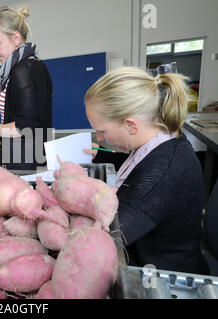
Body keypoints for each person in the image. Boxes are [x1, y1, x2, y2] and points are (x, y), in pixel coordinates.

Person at [84, 66, 209, 275]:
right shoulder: (164, 140)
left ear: (131, 125)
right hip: (152, 252)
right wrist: (103, 156)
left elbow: (110, 235)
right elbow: (141, 162)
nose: (99, 138)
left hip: (163, 274)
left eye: (101, 131)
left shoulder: (163, 172)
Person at [0, 5, 53, 169]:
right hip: (32, 155)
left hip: (26, 160)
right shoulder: (33, 65)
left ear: (16, 38)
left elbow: (25, 127)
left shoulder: (22, 71)